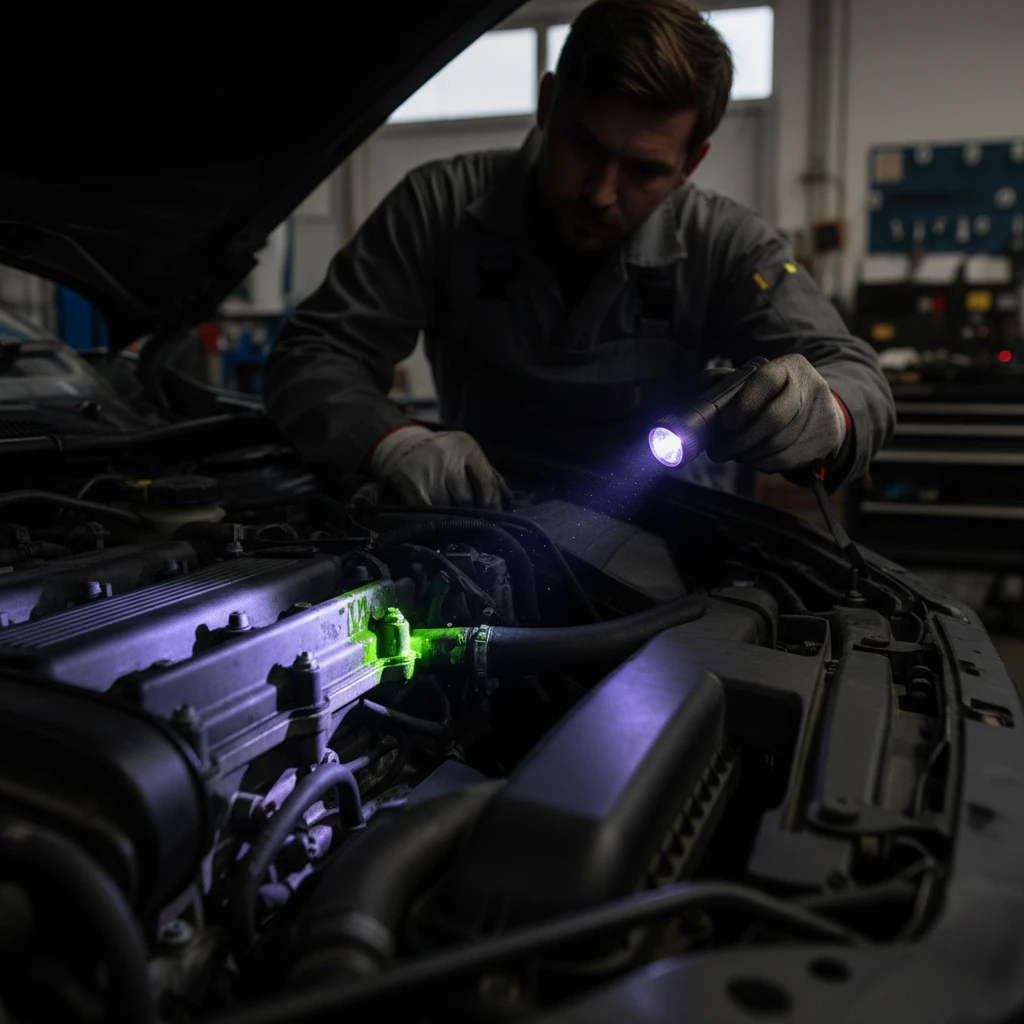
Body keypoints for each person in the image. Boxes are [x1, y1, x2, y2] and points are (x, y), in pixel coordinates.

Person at [264, 0, 895, 509]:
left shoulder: (725, 242)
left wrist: (826, 412)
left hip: (671, 547)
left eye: (644, 170)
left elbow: (854, 373)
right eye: (584, 145)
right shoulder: (439, 204)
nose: (599, 193)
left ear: (690, 164)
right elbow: (315, 355)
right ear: (547, 105)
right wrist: (393, 441)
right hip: (478, 524)